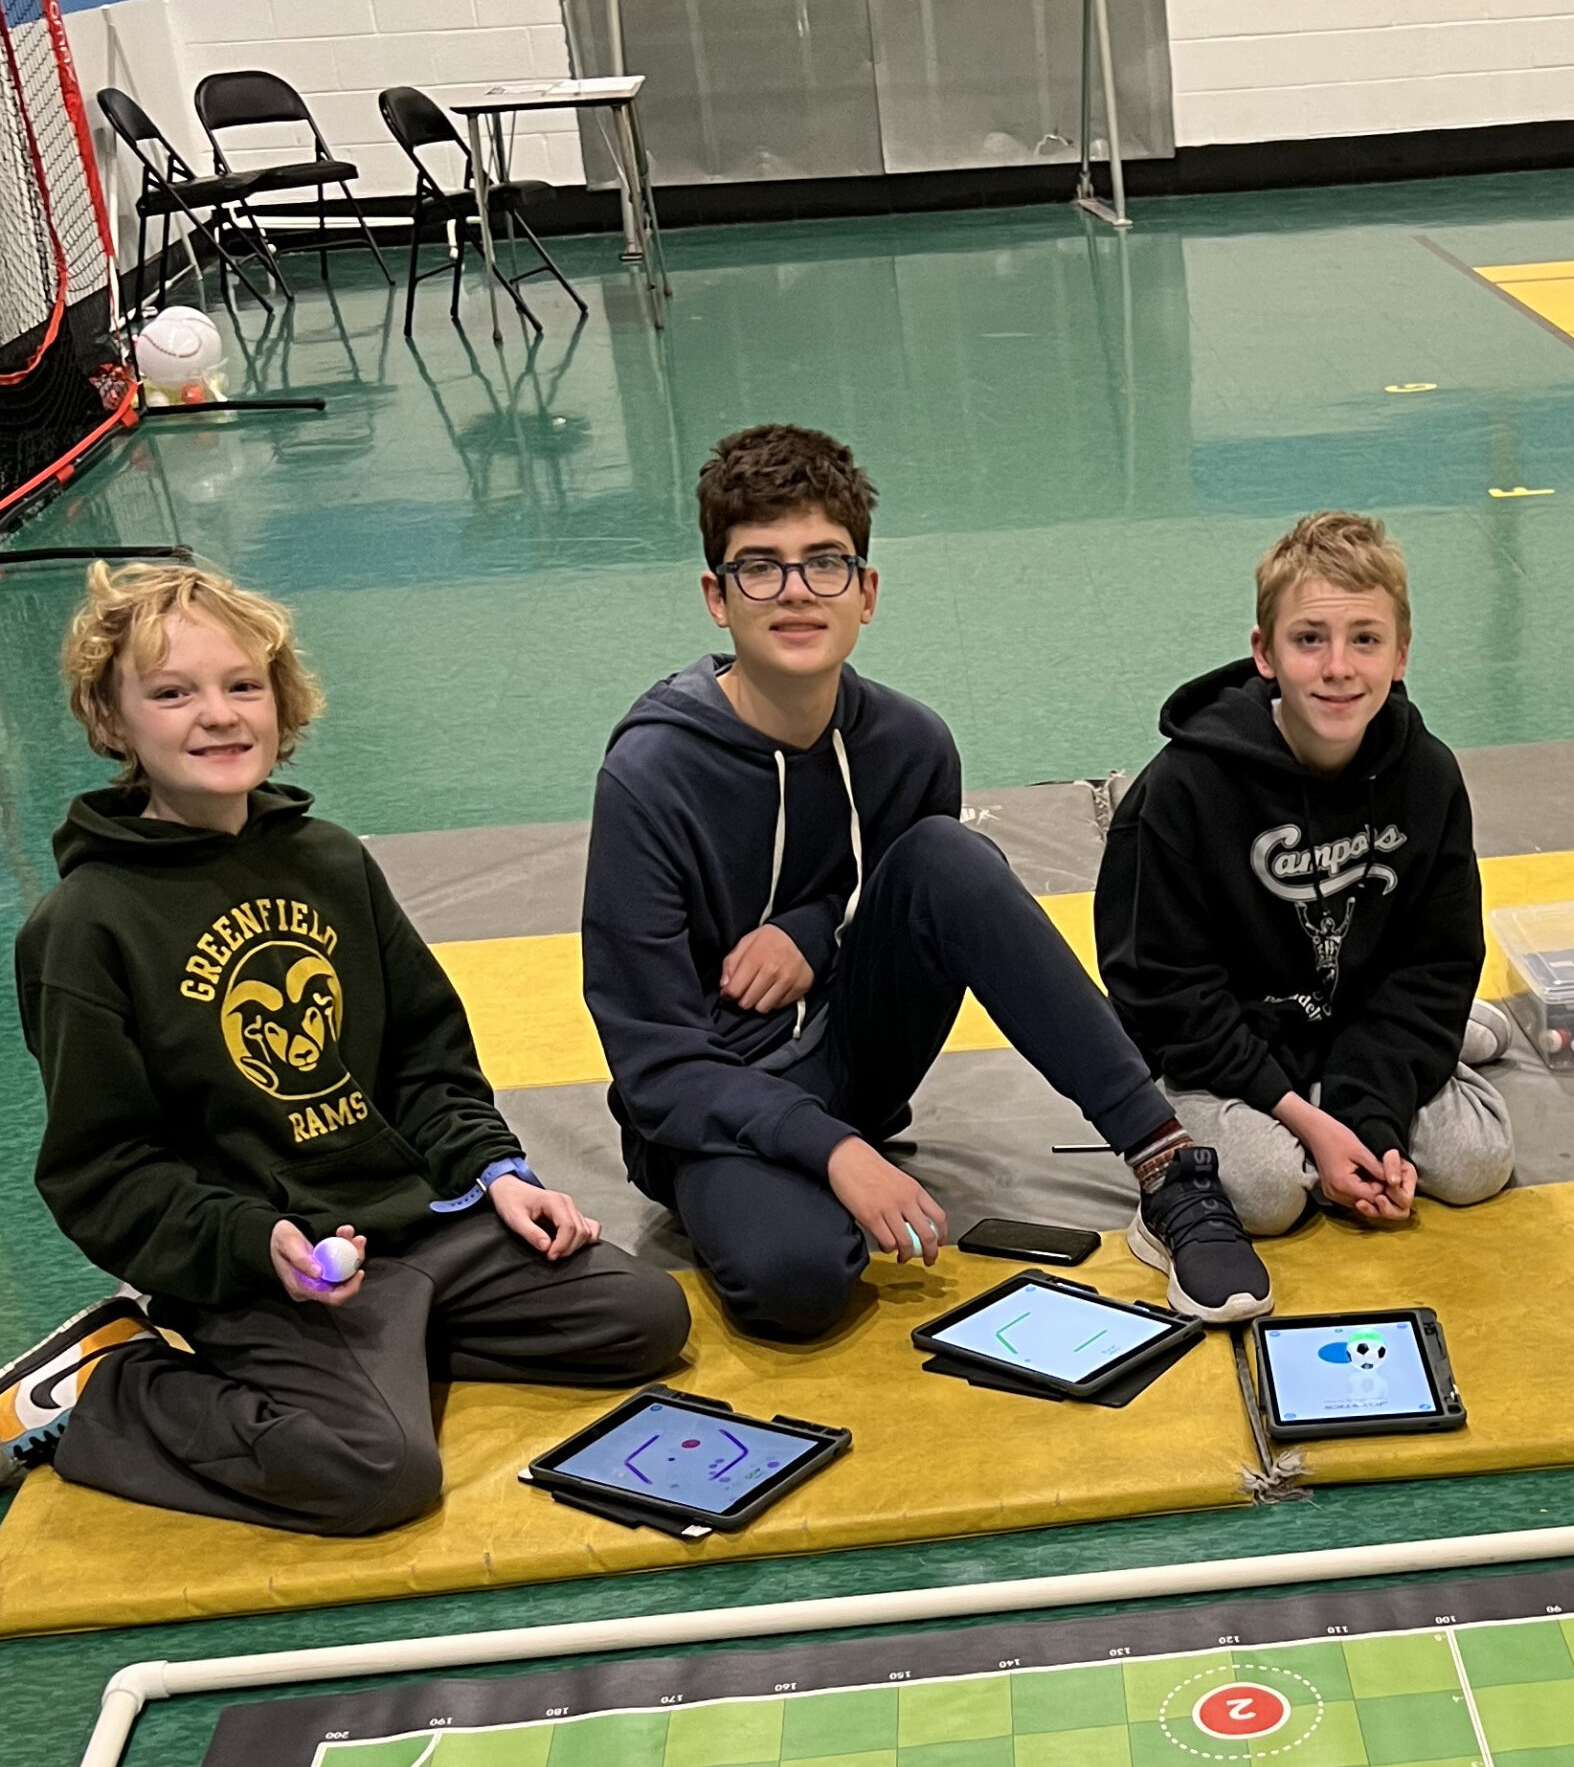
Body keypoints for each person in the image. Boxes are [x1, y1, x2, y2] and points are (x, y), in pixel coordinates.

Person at [5, 563, 689, 1532]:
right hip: (264, 1264)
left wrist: (494, 1172)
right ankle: (108, 1389)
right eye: (172, 692)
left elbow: (425, 1056)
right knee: (378, 1470)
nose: (218, 714)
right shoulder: (83, 927)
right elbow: (102, 1172)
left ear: (281, 704)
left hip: (415, 1231)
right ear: (113, 722)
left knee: (644, 1318)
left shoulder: (327, 857)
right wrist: (257, 1245)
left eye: (243, 685)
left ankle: (389, 1341)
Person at [583, 423, 1269, 1336]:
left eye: (824, 563)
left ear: (866, 592)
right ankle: (799, 1181)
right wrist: (832, 1151)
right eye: (761, 566)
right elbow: (656, 1064)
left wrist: (810, 923)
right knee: (793, 1286)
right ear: (717, 595)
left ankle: (1168, 1165)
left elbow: (904, 895)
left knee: (951, 855)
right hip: (712, 1105)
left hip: (856, 1063)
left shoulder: (910, 746)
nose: (795, 591)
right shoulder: (649, 778)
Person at [1094, 510, 1513, 1237]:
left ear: (1402, 654)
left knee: (1475, 1165)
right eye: (1309, 639)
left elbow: (1438, 959)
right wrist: (1303, 1119)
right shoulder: (1184, 791)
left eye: (1366, 640)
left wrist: (1373, 1118)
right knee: (1263, 1196)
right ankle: (1402, 1062)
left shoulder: (1427, 774)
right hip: (1228, 1040)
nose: (1339, 668)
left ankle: (1424, 1047)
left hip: (1356, 1015)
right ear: (1265, 653)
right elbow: (1163, 992)